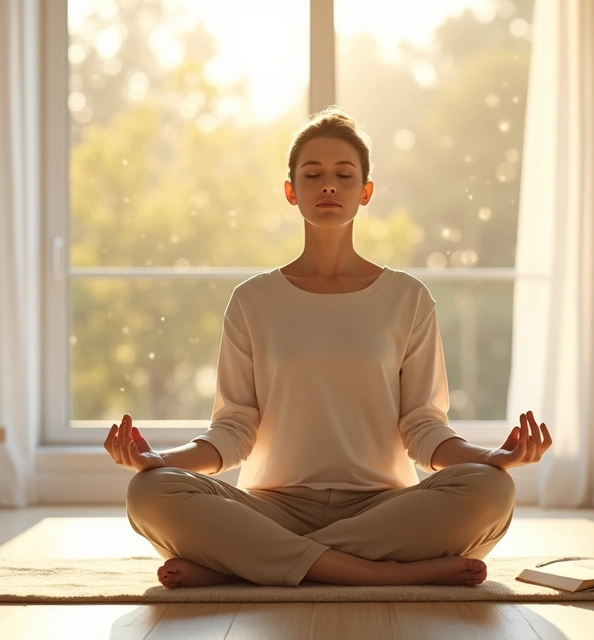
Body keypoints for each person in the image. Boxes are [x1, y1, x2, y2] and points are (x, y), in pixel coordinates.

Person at [104, 107, 552, 590]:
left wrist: (491, 457)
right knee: (149, 492)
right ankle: (367, 573)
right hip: (270, 509)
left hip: (382, 510)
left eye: (344, 174)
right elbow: (234, 429)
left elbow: (423, 429)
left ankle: (243, 564)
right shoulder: (253, 300)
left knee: (490, 490)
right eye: (313, 174)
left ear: (366, 192)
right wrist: (161, 461)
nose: (329, 186)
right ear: (291, 192)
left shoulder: (407, 298)